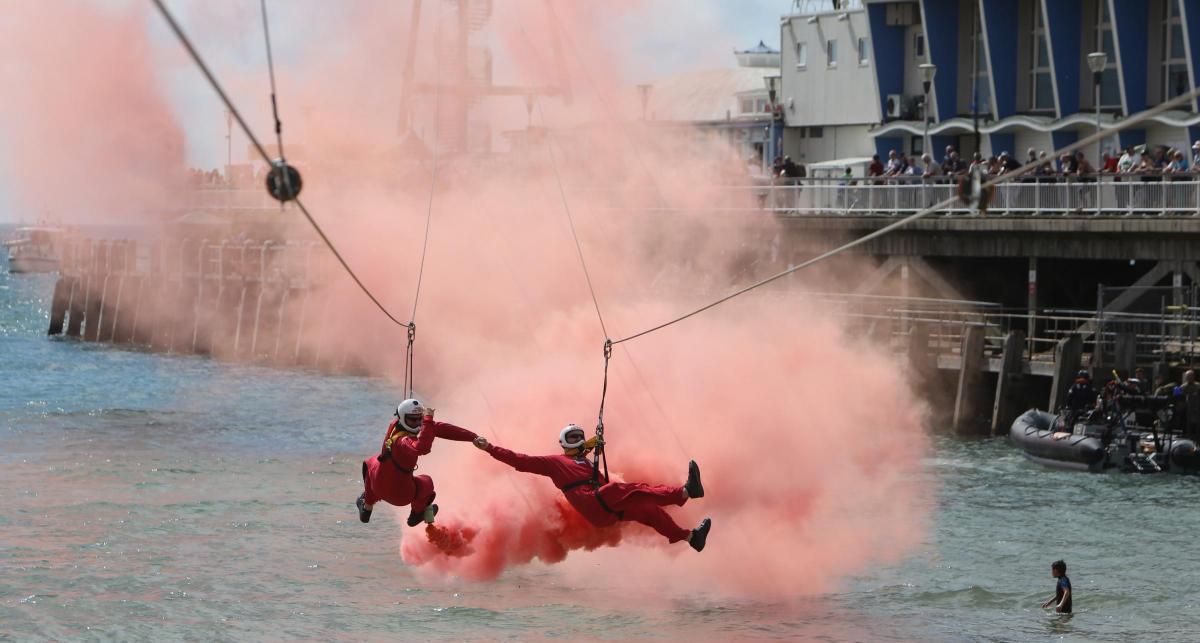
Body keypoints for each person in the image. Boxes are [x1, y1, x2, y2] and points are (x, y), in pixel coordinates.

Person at [473, 425, 713, 551]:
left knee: (649, 510)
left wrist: (593, 448)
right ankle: (684, 492)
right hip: (593, 503)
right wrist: (490, 448)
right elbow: (520, 460)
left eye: (581, 436)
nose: (578, 439)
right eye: (574, 436)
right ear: (565, 442)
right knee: (624, 488)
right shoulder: (554, 463)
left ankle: (692, 538)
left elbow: (591, 462)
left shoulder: (586, 462)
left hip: (605, 508)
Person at [356, 399, 478, 526]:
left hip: (377, 487)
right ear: (403, 418)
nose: (417, 423)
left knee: (372, 462)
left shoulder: (396, 425)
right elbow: (422, 448)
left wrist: (473, 437)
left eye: (420, 419)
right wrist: (428, 418)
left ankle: (367, 507)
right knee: (426, 481)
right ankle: (416, 514)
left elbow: (439, 428)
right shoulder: (402, 441)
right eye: (412, 420)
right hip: (400, 496)